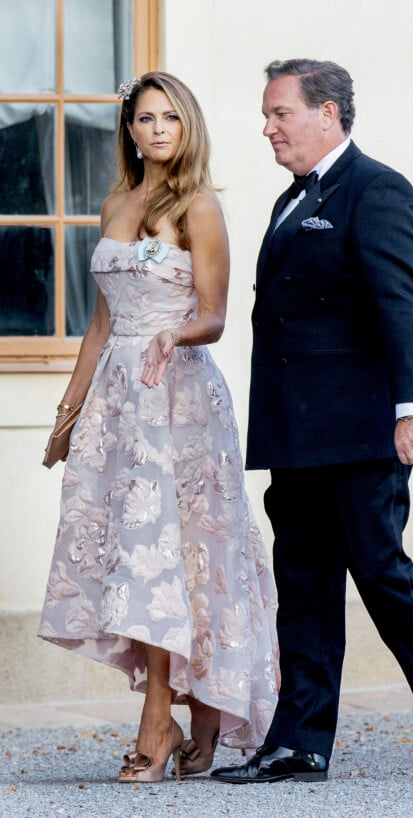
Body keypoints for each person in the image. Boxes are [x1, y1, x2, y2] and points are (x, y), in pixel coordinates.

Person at [211, 58, 413, 785]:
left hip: (363, 431)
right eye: (266, 116)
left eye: (280, 114)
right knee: (302, 585)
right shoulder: (287, 203)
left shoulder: (379, 189)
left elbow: (402, 304)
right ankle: (300, 744)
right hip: (296, 435)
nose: (268, 128)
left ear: (327, 113)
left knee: (383, 575)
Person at [38, 71, 279, 784]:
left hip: (177, 398)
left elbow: (215, 314)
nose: (158, 130)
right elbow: (98, 324)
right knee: (134, 561)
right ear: (130, 129)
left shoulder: (199, 206)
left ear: (187, 125)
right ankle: (183, 715)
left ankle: (164, 720)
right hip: (119, 403)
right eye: (145, 118)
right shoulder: (114, 203)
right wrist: (69, 415)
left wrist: (175, 336)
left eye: (170, 117)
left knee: (182, 557)